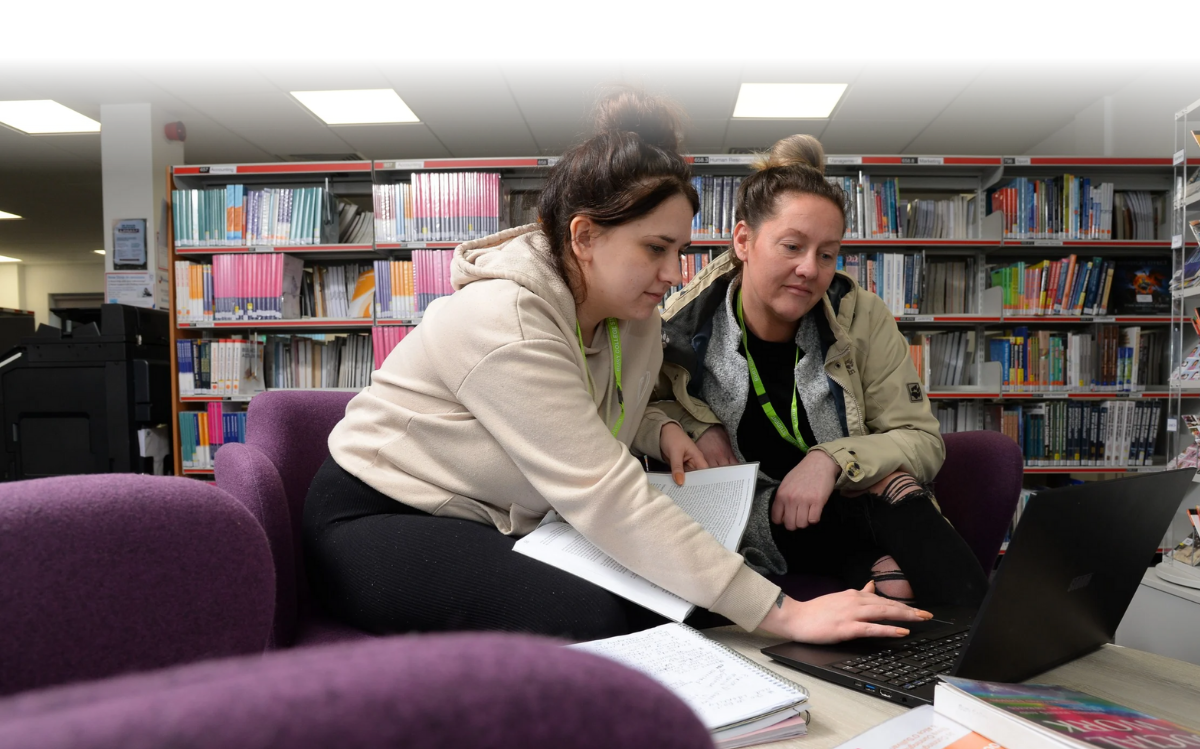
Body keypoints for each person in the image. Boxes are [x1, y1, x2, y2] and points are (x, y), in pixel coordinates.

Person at [303, 92, 932, 643]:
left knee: (670, 596)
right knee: (605, 611)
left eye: (680, 250)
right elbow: (605, 495)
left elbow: (592, 403)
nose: (674, 274)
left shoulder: (630, 313)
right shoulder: (505, 320)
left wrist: (659, 430)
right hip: (383, 516)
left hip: (500, 513)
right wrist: (787, 615)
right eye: (655, 249)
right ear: (584, 237)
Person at [658, 134, 988, 609]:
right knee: (894, 582)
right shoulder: (682, 327)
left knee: (895, 493)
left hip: (845, 505)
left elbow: (921, 440)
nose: (810, 269)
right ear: (744, 241)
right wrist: (694, 425)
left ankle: (985, 653)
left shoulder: (862, 316)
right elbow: (641, 412)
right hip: (744, 520)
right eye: (792, 246)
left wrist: (831, 459)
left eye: (828, 254)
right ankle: (979, 652)